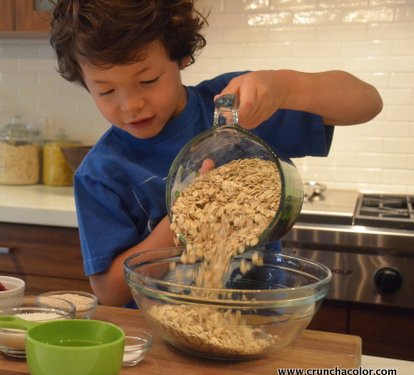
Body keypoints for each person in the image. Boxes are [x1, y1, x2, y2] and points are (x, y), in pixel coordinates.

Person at [49, 0, 383, 307]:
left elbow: (367, 103)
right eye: (105, 90)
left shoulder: (234, 109)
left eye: (148, 80)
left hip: (260, 323)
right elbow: (109, 292)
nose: (131, 105)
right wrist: (187, 215)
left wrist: (284, 87)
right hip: (166, 343)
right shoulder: (101, 172)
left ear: (182, 56)